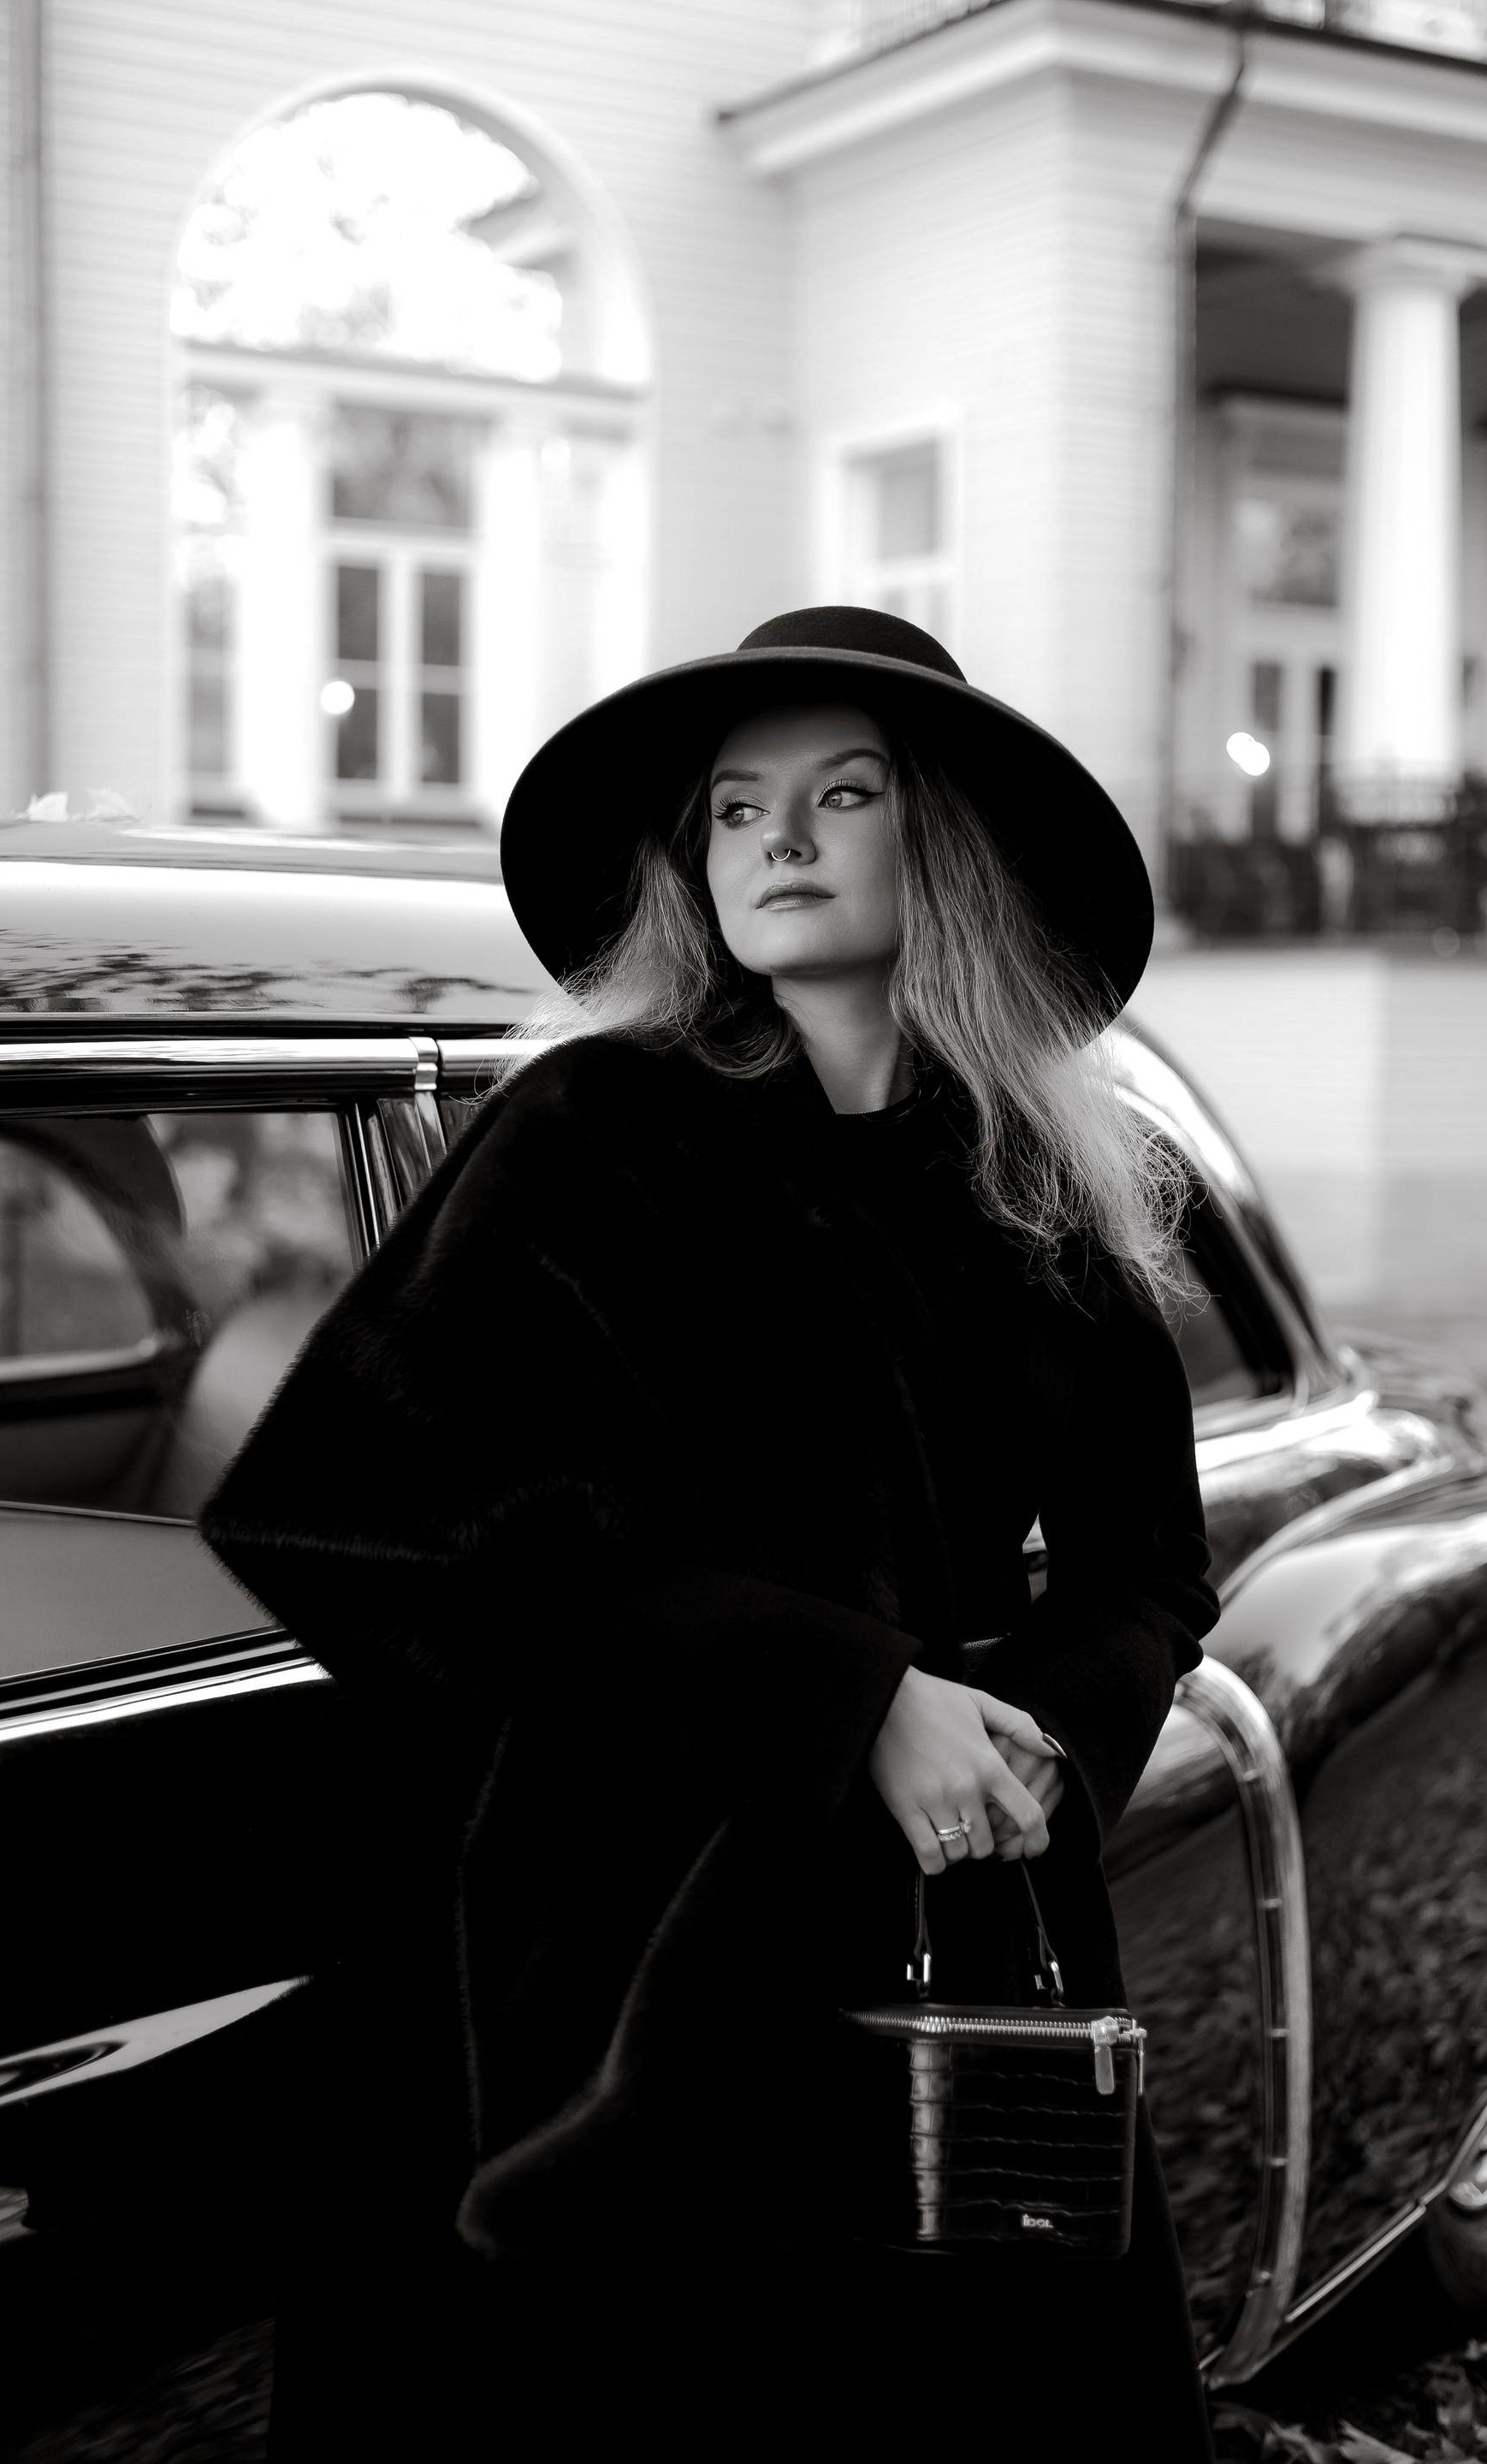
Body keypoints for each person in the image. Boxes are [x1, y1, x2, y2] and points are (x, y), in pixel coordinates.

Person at [202, 606, 1219, 2459]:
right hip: (615, 1937)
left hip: (950, 1926)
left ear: (949, 844)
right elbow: (342, 1513)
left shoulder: (1040, 1182)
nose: (780, 840)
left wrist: (1034, 1741)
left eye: (846, 794)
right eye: (737, 807)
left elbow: (1152, 1566)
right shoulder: (594, 1130)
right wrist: (844, 1696)